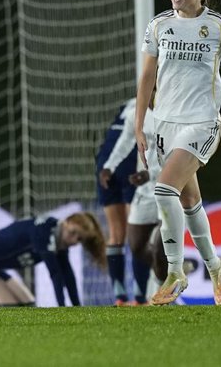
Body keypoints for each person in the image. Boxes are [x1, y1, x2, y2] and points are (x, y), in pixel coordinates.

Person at [135, 0, 221, 305]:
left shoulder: (219, 27)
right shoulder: (159, 26)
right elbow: (146, 79)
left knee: (164, 188)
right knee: (189, 200)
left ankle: (176, 271)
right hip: (166, 125)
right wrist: (140, 125)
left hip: (202, 124)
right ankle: (215, 270)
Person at [0, 212, 106, 307]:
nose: (73, 240)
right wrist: (62, 308)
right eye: (73, 233)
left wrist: (77, 307)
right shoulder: (44, 231)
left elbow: (67, 274)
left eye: (79, 239)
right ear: (65, 222)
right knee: (7, 309)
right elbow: (55, 274)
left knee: (29, 306)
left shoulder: (58, 240)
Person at [100, 90, 163, 305]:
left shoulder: (175, 112)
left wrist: (150, 174)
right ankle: (137, 294)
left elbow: (177, 155)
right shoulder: (139, 111)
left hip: (165, 185)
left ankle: (149, 292)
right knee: (135, 242)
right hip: (141, 183)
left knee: (161, 241)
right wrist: (109, 166)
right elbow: (127, 138)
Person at [96, 99, 138, 305]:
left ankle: (119, 296)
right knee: (138, 232)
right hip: (130, 160)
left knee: (116, 234)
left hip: (105, 161)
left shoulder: (125, 108)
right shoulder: (155, 102)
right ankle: (141, 295)